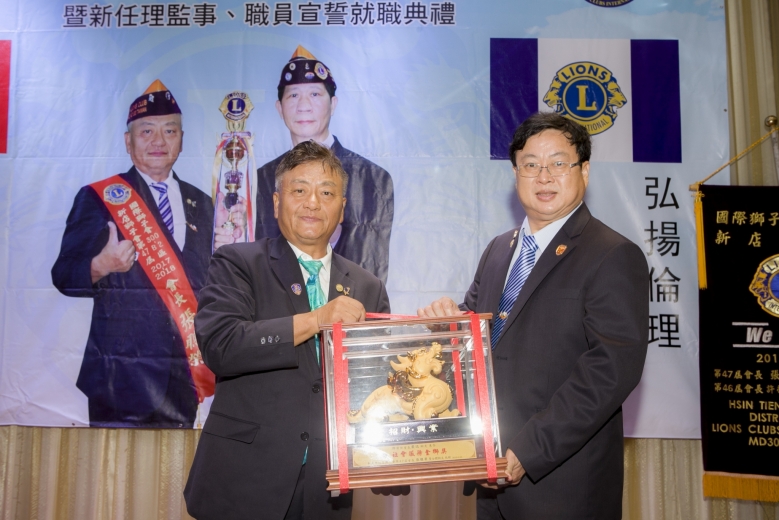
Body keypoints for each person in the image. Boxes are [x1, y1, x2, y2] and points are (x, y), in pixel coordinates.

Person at [419, 112, 648, 519]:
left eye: (559, 163)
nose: (544, 177)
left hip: (560, 486)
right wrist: (450, 325)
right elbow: (480, 338)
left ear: (584, 171)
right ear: (515, 173)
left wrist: (528, 450)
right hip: (489, 476)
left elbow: (610, 371)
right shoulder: (498, 250)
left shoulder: (612, 254)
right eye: (531, 165)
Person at [184, 140, 391, 520]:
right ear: (277, 202)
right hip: (243, 480)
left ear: (343, 207)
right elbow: (221, 346)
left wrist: (389, 453)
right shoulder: (238, 262)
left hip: (326, 487)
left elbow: (375, 386)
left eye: (326, 193)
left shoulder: (367, 286)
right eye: (299, 190)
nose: (313, 203)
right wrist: (316, 319)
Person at [51, 80, 244, 428]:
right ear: (129, 141)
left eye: (169, 130)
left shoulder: (203, 203)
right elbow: (63, 275)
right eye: (147, 131)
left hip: (182, 375)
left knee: (176, 464)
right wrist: (101, 265)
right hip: (119, 376)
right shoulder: (100, 197)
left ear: (181, 139)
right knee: (112, 465)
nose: (159, 141)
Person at [255, 45, 394, 283]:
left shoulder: (373, 178)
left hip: (348, 300)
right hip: (278, 302)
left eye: (315, 94)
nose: (303, 106)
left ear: (333, 103)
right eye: (293, 95)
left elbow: (371, 264)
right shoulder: (262, 178)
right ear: (279, 108)